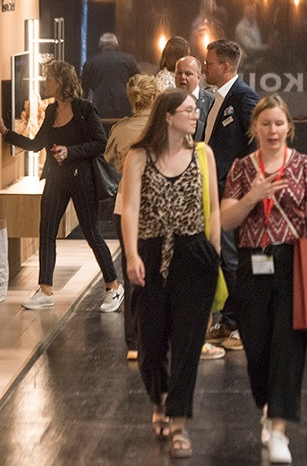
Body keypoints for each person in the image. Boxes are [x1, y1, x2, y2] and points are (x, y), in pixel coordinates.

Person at [220, 96, 307, 464]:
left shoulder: (303, 164)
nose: (272, 130)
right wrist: (253, 196)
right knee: (256, 347)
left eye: (279, 123)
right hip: (253, 263)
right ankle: (268, 406)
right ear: (255, 127)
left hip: (291, 261)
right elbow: (225, 220)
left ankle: (280, 428)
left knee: (289, 345)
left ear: (289, 127)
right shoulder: (241, 168)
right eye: (265, 123)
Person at [120, 89, 221, 458]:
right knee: (149, 343)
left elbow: (213, 209)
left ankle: (179, 422)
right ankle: (159, 398)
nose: (195, 115)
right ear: (167, 115)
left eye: (196, 110)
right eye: (188, 110)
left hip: (194, 254)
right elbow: (130, 209)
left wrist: (215, 254)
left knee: (188, 343)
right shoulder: (138, 156)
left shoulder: (203, 154)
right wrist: (132, 254)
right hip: (151, 252)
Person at [0, 60, 123, 312]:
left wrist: (70, 151)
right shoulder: (51, 111)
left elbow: (100, 143)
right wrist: (6, 133)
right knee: (46, 231)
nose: (45, 83)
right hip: (56, 178)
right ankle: (45, 290)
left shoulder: (84, 109)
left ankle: (113, 286)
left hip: (81, 178)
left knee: (91, 232)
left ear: (61, 82)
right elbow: (36, 144)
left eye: (49, 79)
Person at [202, 39, 259, 350]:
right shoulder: (216, 98)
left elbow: (254, 144)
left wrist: (241, 186)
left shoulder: (243, 97)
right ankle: (227, 321)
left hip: (232, 193)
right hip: (216, 190)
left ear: (225, 66)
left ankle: (239, 325)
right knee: (224, 258)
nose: (204, 67)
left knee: (234, 259)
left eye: (208, 63)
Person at [105, 74, 160, 360]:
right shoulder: (164, 128)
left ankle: (133, 342)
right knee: (158, 271)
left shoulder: (120, 129)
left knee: (131, 273)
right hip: (157, 208)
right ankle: (157, 338)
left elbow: (111, 160)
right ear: (155, 97)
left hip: (123, 205)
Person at [81, 32, 141, 122]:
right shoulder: (129, 60)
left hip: (100, 107)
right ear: (116, 45)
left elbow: (83, 90)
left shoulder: (90, 63)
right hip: (125, 105)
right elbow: (139, 82)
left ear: (100, 45)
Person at [174, 56, 214, 143]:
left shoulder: (212, 102)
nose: (183, 77)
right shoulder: (167, 102)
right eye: (179, 73)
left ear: (198, 77)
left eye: (188, 74)